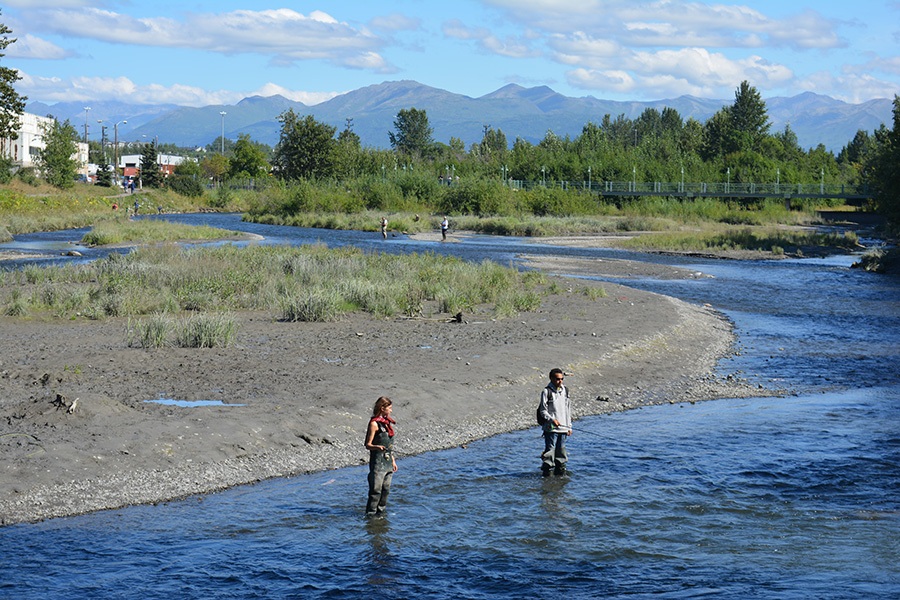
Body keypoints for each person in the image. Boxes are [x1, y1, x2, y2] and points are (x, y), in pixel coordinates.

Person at [364, 396, 398, 516]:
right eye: (389, 408)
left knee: (386, 490)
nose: (391, 410)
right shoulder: (373, 424)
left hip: (388, 462)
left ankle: (381, 513)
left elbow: (389, 446)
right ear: (382, 408)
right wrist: (376, 447)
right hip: (378, 463)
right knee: (375, 490)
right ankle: (371, 514)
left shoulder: (387, 423)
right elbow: (367, 444)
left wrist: (393, 461)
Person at [537, 368, 572, 476]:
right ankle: (547, 473)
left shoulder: (565, 390)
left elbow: (568, 409)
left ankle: (560, 474)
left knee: (561, 451)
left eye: (562, 379)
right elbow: (543, 411)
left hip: (563, 427)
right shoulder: (546, 392)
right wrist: (553, 420)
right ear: (551, 378)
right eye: (557, 379)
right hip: (550, 427)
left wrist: (569, 426)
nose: (560, 381)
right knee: (550, 451)